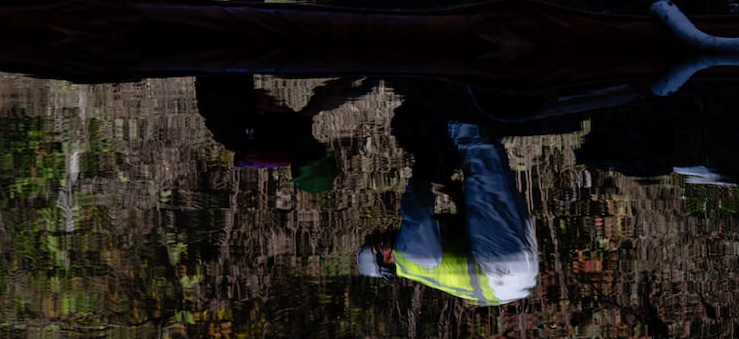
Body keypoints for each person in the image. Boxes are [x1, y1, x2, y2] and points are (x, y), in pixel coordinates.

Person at [356, 117, 539, 305]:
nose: (382, 235)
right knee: (478, 149)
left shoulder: (422, 271)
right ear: (386, 260)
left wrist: (456, 193)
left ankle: (491, 110)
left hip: (520, 278)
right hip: (501, 270)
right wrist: (425, 162)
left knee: (493, 159)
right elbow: (417, 212)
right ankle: (460, 110)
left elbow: (468, 232)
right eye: (377, 244)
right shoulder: (407, 256)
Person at [196, 74, 377, 194]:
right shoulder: (281, 148)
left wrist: (356, 81)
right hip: (209, 98)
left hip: (224, 88)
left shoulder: (297, 138)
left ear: (323, 157)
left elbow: (322, 99)